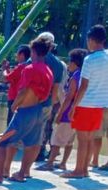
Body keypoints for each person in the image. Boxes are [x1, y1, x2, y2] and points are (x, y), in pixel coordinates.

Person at [0, 36, 53, 184]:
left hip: (25, 111)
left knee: (2, 143)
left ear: (33, 51)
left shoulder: (30, 69)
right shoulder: (48, 70)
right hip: (38, 110)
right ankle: (21, 173)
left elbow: (23, 90)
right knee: (31, 144)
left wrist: (15, 105)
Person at [61, 25, 108, 178]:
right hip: (100, 105)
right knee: (89, 139)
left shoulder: (89, 59)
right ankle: (85, 170)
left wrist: (74, 105)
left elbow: (84, 86)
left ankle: (78, 170)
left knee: (82, 140)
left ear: (92, 40)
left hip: (86, 103)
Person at [37, 49, 87, 171]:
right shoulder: (85, 75)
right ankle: (63, 163)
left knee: (56, 139)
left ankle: (49, 163)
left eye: (70, 62)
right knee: (70, 140)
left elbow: (69, 97)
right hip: (78, 113)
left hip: (67, 113)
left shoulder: (76, 76)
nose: (68, 65)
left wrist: (60, 113)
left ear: (75, 63)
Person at [35, 32, 65, 162]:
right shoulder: (59, 64)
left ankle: (36, 151)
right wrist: (53, 103)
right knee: (46, 126)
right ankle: (43, 151)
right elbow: (58, 86)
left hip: (35, 99)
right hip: (50, 100)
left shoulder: (36, 59)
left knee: (36, 127)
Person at [3, 45, 31, 126]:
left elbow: (6, 78)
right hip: (22, 98)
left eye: (17, 53)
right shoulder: (27, 67)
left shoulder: (21, 67)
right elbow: (12, 78)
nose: (16, 55)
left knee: (11, 122)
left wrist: (4, 69)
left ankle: (9, 137)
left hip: (14, 97)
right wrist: (8, 69)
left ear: (22, 55)